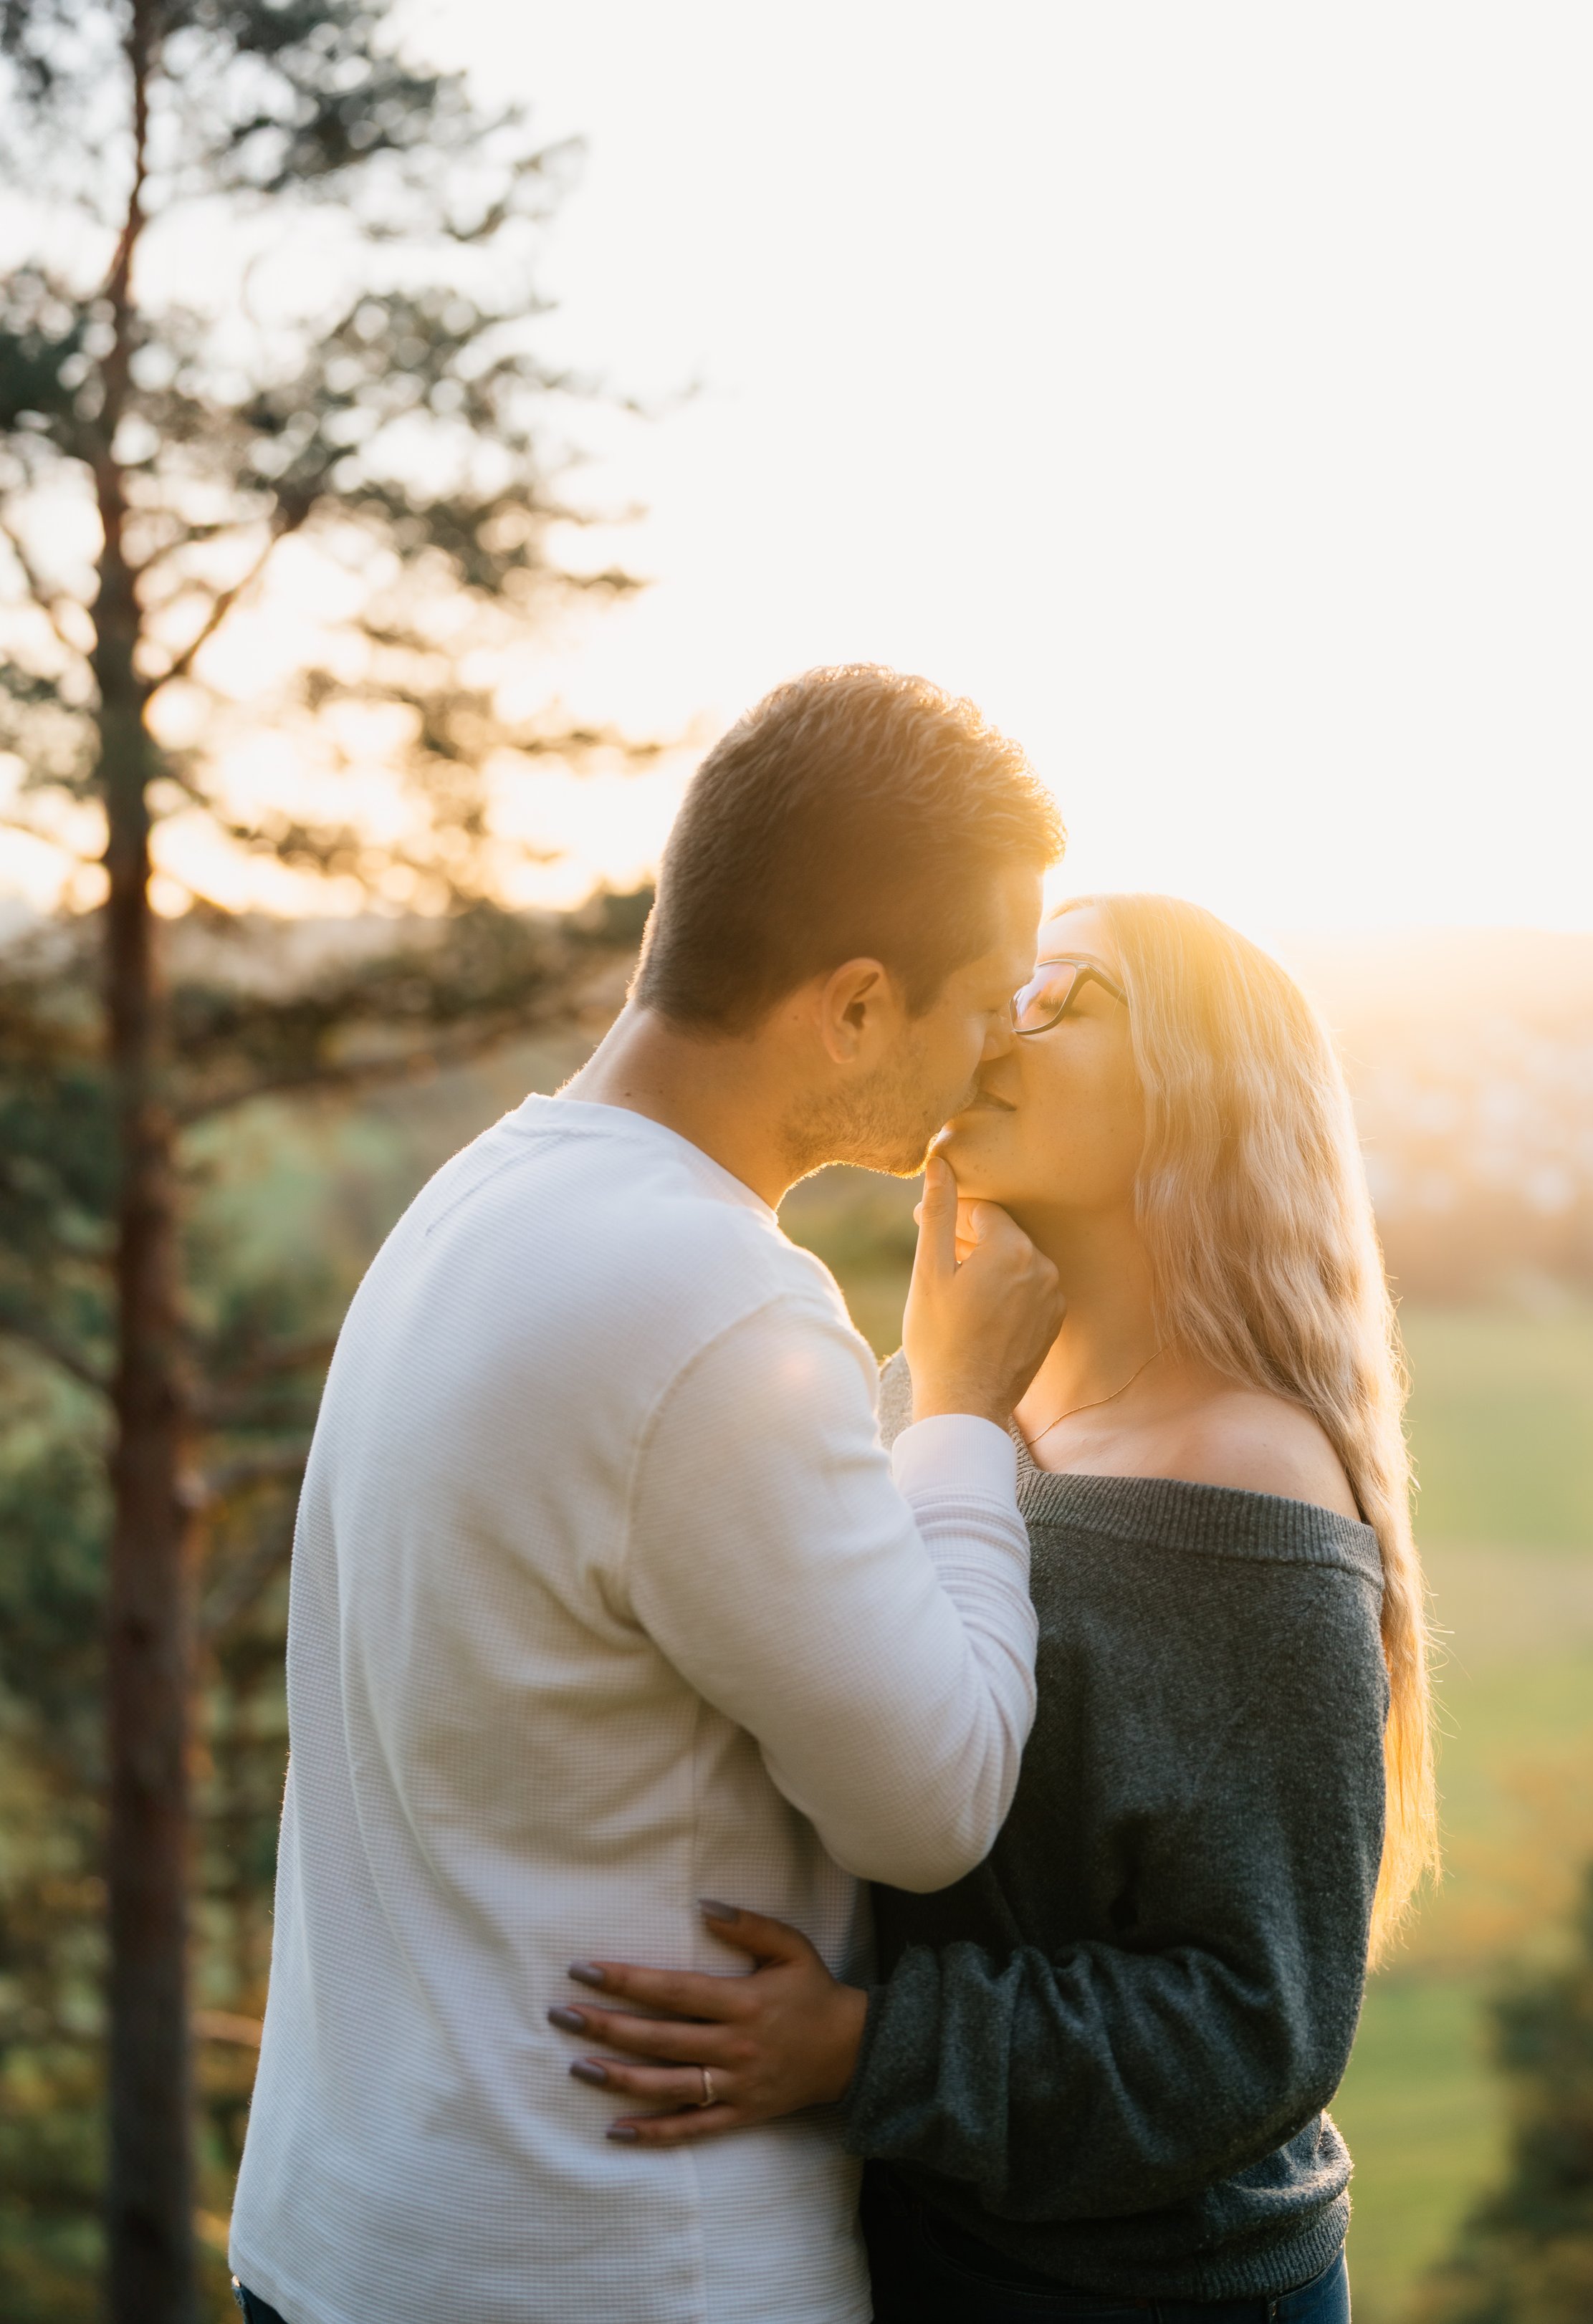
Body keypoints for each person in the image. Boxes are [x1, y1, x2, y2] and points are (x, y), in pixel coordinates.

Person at [227, 666, 1069, 2324]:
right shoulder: (716, 1300)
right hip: (599, 2260)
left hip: (343, 2238)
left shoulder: (476, 1194)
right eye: (981, 998)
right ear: (849, 1005)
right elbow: (937, 1797)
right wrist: (960, 1409)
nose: (998, 1047)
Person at [552, 893, 1436, 2324]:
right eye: (997, 991)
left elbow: (1250, 2025)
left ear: (1198, 1092)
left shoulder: (1249, 1482)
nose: (991, 1030)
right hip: (923, 2250)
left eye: (1059, 1001)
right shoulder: (942, 1403)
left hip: (1150, 2291)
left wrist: (862, 2045)